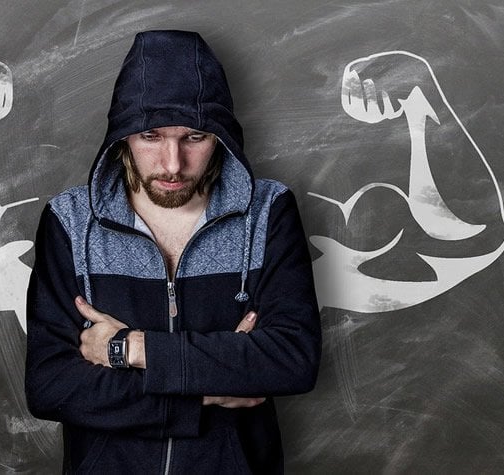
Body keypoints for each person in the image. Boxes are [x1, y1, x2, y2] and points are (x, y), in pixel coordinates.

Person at [25, 30, 321, 474]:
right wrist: (205, 393)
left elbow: (291, 360)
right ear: (123, 137)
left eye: (194, 137)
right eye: (150, 136)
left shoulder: (268, 212)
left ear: (219, 137)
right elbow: (51, 387)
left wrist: (133, 350)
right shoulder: (70, 220)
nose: (172, 164)